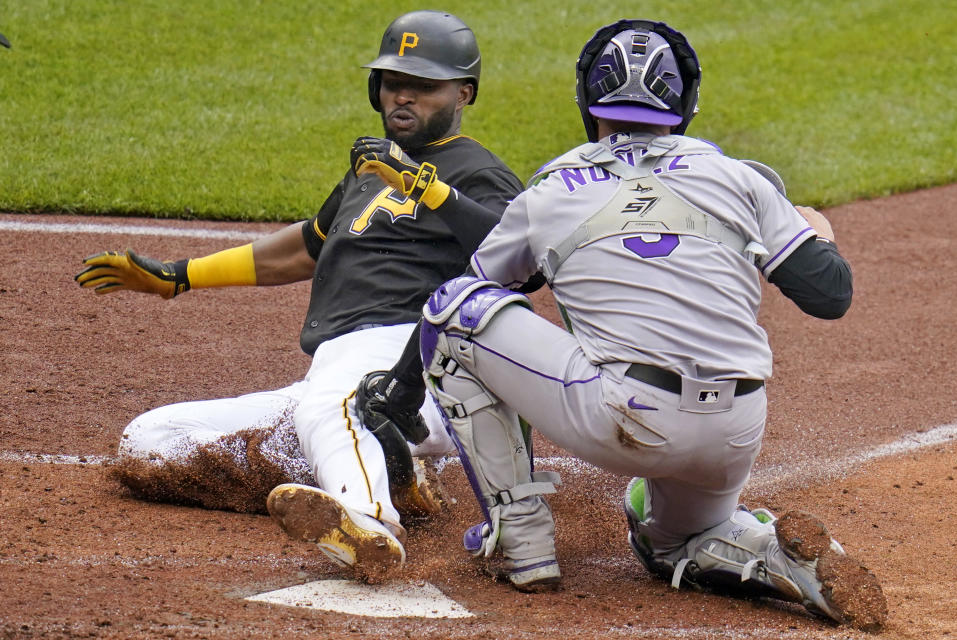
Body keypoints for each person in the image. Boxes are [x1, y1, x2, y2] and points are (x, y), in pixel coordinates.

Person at [362, 18, 887, 630]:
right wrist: (813, 231)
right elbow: (831, 295)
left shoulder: (553, 186)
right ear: (685, 103)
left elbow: (469, 292)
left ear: (589, 103)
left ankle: (519, 538)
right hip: (734, 431)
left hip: (624, 416)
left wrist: (404, 384)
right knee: (670, 544)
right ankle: (771, 555)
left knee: (457, 307)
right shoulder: (742, 177)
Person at [74, 10, 525, 581]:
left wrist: (427, 189)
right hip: (336, 372)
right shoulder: (373, 166)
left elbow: (518, 259)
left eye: (424, 87)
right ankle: (390, 467)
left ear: (463, 93)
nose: (403, 98)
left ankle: (371, 521)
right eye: (393, 83)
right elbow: (306, 248)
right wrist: (180, 275)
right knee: (152, 439)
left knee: (340, 406)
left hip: (416, 369)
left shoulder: (478, 172)